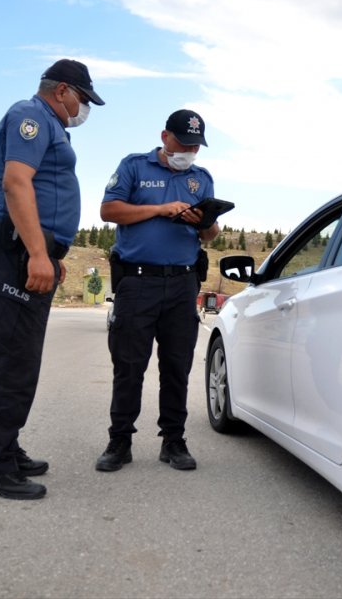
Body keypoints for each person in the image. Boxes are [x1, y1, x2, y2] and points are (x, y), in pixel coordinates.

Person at [0, 59, 105, 500]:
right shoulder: (30, 115)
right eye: (82, 99)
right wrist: (35, 252)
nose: (83, 108)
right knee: (10, 362)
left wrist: (48, 252)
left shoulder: (49, 122)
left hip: (24, 249)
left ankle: (5, 448)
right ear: (62, 90)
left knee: (21, 360)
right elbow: (16, 184)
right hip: (12, 250)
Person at [96, 109, 220, 472]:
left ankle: (173, 441)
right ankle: (120, 441)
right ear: (165, 137)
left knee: (176, 366)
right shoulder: (134, 166)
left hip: (183, 283)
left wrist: (205, 223)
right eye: (183, 144)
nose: (189, 151)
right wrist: (160, 209)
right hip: (138, 281)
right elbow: (109, 210)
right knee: (129, 367)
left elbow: (210, 235)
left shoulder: (201, 178)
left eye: (195, 146)